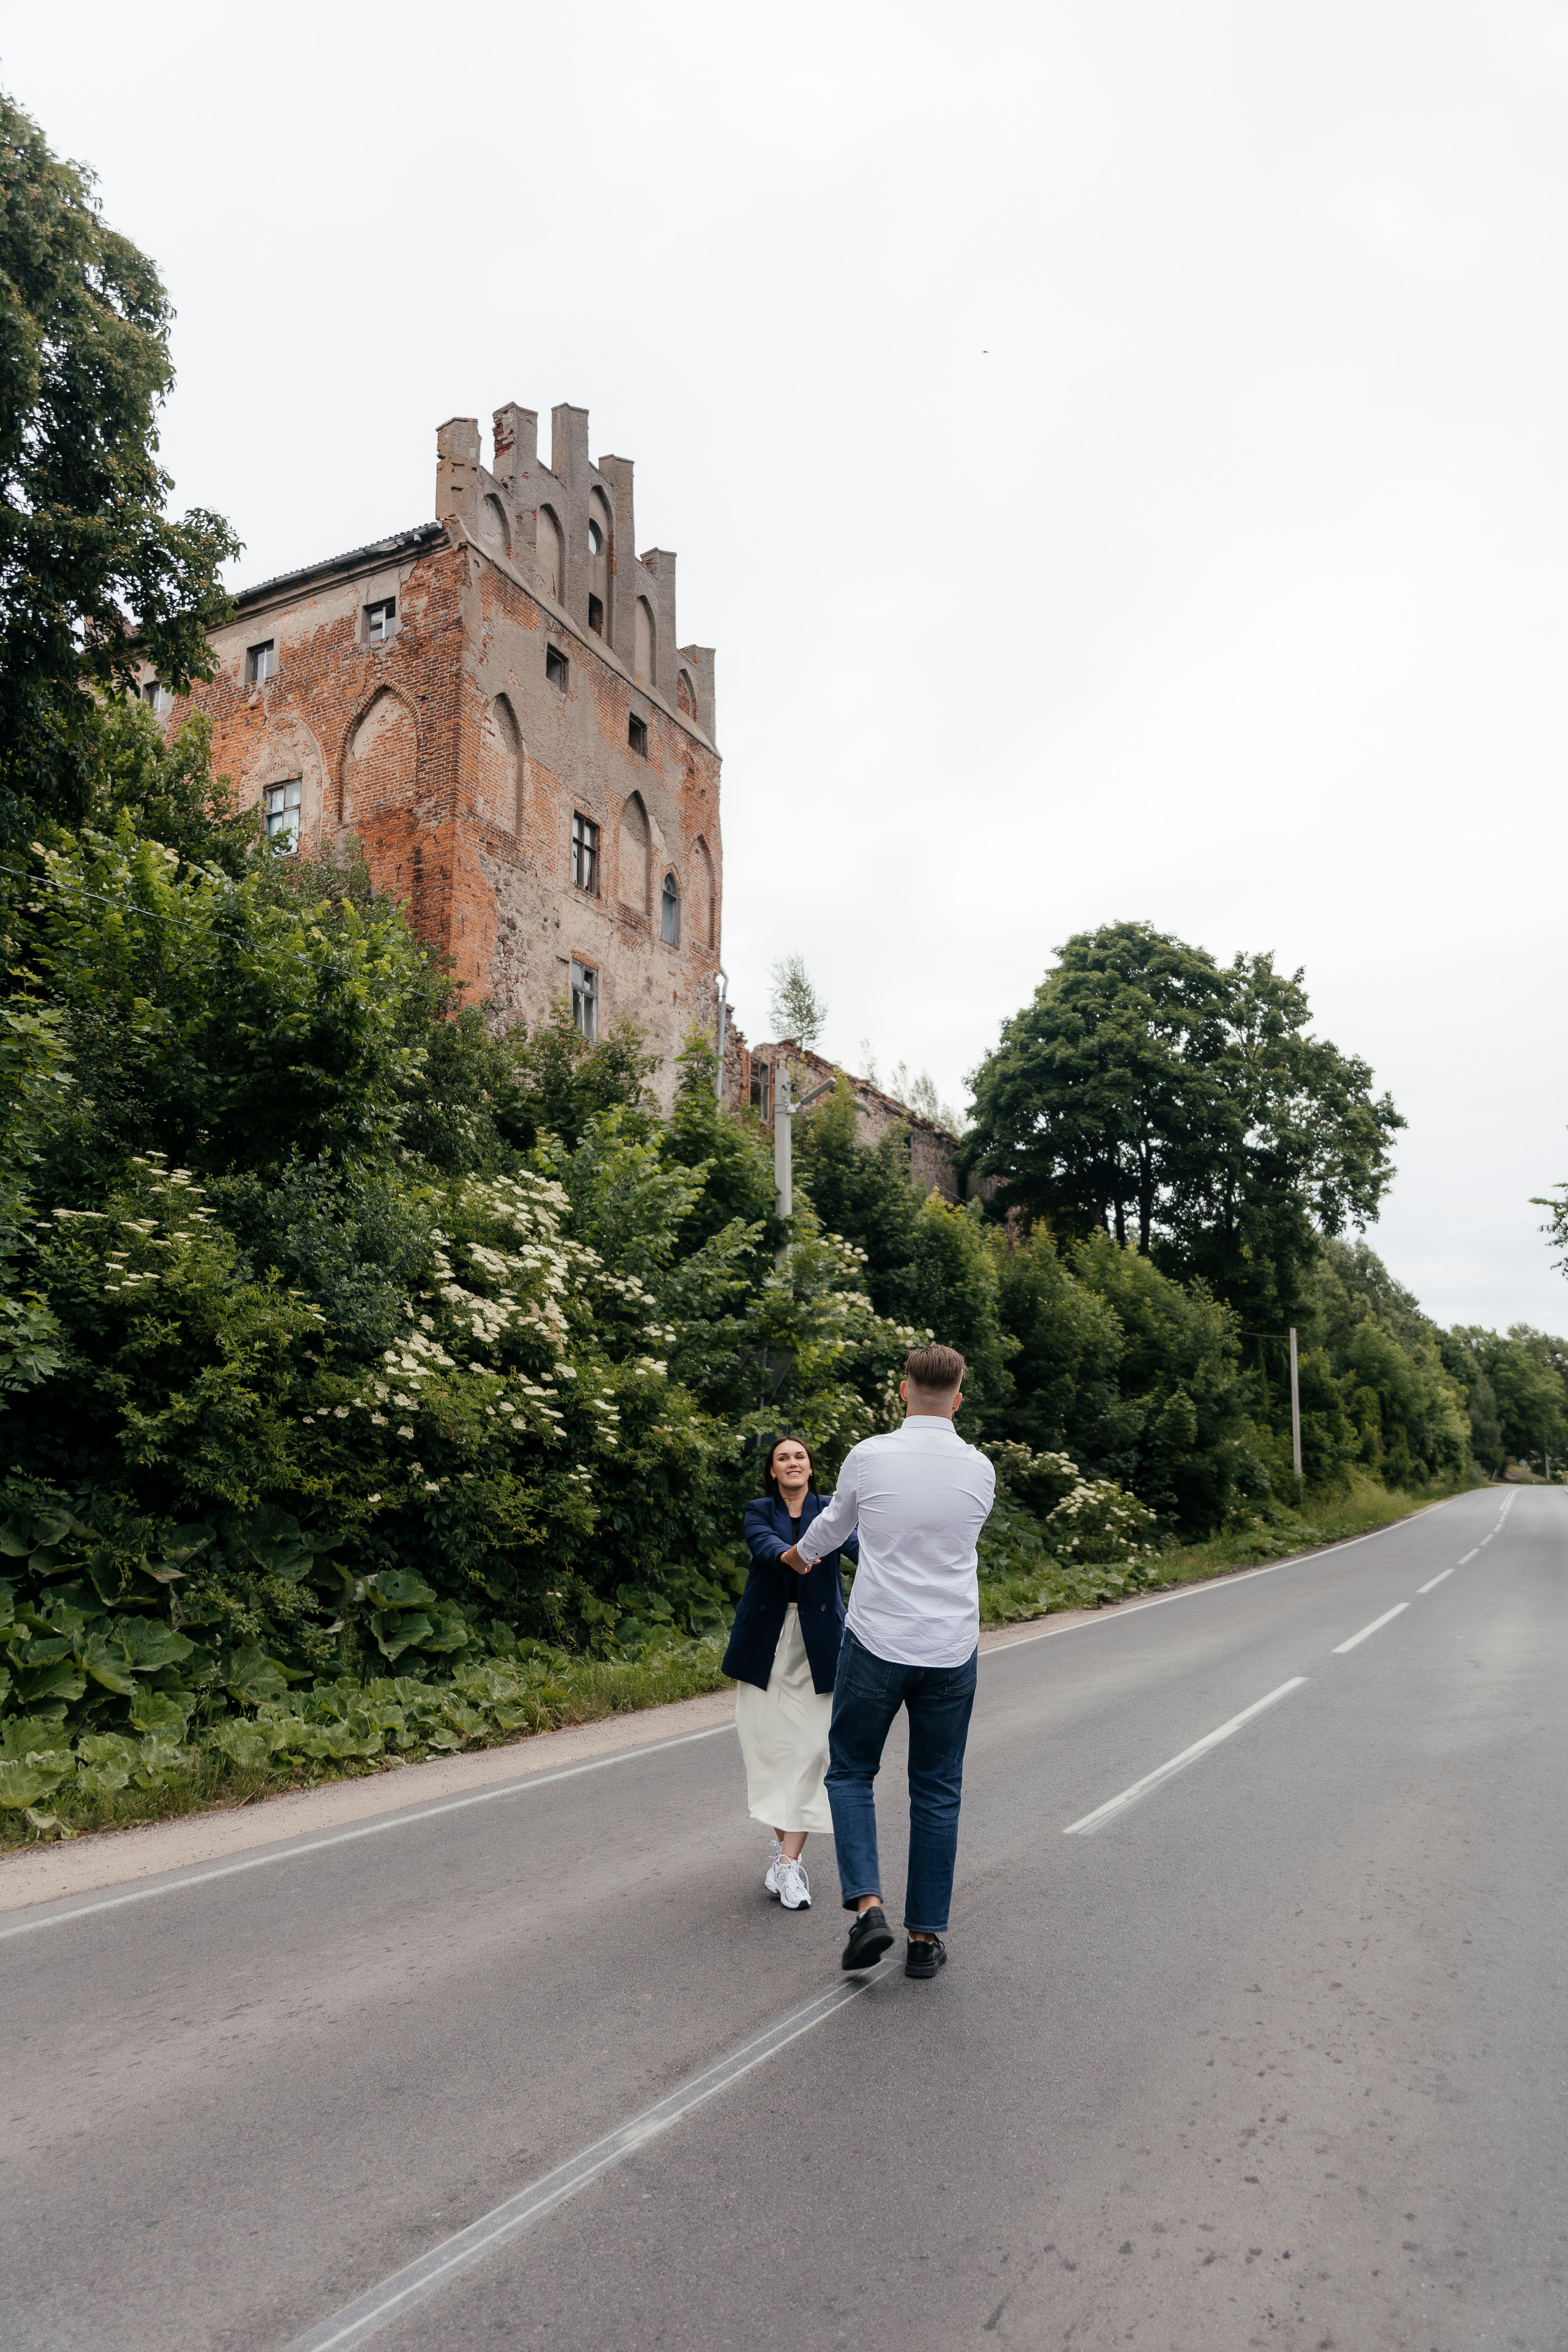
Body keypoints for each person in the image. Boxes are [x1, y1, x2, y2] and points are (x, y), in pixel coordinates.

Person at [782, 1343, 995, 1979]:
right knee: (936, 1788)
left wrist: (798, 1558)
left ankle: (869, 1909)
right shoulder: (979, 1468)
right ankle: (924, 1940)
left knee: (850, 1771)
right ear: (957, 1399)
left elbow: (831, 1526)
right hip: (951, 1648)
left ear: (903, 1391)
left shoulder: (869, 1456)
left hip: (877, 1641)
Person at [723, 1433, 860, 1912]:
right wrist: (795, 1555)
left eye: (799, 1455)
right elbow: (766, 1547)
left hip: (820, 1647)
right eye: (783, 1458)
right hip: (767, 1644)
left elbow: (864, 1552)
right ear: (773, 1471)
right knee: (768, 1750)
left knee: (814, 1750)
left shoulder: (832, 1508)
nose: (793, 1462)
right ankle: (787, 1864)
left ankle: (786, 1864)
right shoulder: (758, 1509)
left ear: (810, 1465)